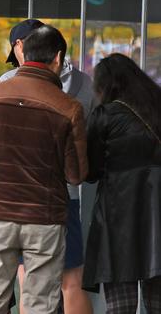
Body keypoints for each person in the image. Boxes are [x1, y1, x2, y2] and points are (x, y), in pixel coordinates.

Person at [0, 25, 88, 314]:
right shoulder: (68, 108)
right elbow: (76, 174)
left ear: (22, 52)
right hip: (45, 216)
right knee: (40, 304)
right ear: (57, 59)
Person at [0, 19, 94, 314]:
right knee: (71, 281)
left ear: (20, 46)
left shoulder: (8, 82)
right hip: (67, 194)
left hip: (18, 197)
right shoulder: (85, 85)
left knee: (28, 278)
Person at [83, 53, 161, 314]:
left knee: (121, 306)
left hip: (118, 219)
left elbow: (90, 171)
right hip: (158, 219)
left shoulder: (105, 114)